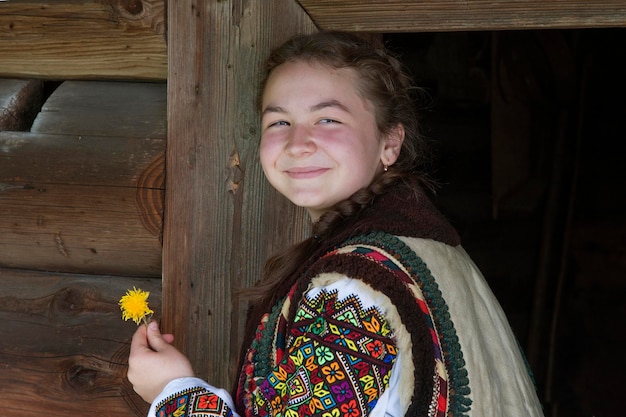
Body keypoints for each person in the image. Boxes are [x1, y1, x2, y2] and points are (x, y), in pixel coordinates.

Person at [128, 30, 544, 417]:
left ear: (390, 143)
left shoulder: (356, 288)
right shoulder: (419, 248)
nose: (297, 142)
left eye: (328, 119)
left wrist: (171, 390)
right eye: (279, 122)